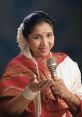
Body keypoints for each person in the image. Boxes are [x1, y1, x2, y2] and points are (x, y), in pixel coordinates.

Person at [0, 11, 82, 117]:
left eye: (49, 35)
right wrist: (30, 91)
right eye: (36, 37)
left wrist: (68, 95)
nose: (44, 43)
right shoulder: (16, 66)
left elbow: (78, 110)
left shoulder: (67, 63)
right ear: (26, 39)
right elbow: (7, 112)